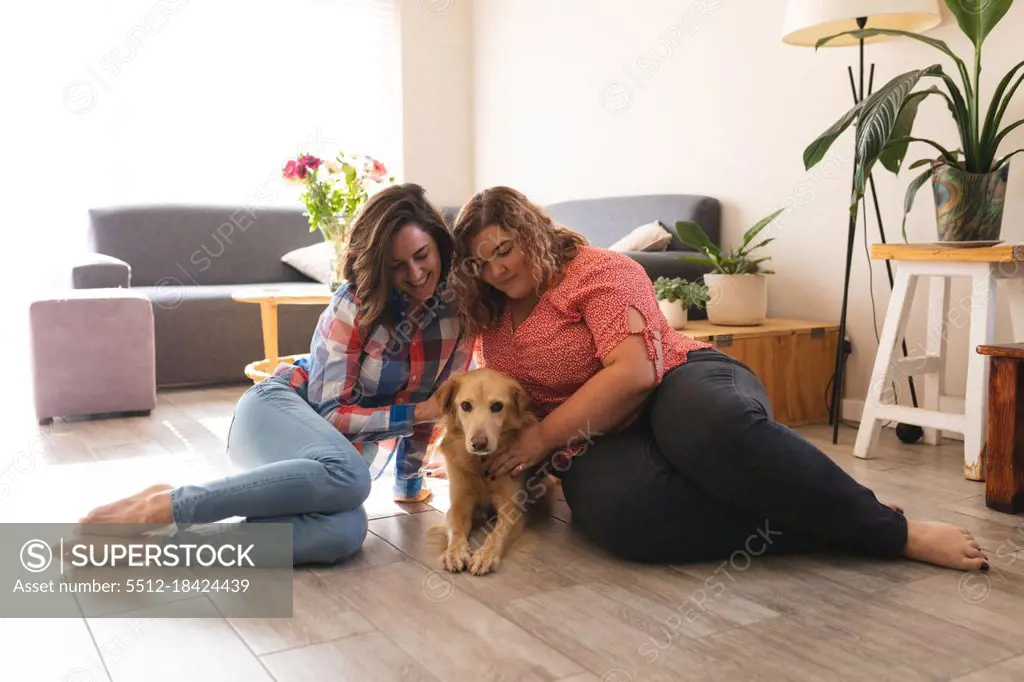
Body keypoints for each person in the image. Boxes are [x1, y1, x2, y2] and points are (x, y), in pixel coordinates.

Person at [447, 185, 988, 572]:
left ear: (532, 234)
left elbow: (636, 373)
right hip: (592, 435)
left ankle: (892, 532)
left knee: (712, 429)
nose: (497, 269)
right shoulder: (488, 312)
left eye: (505, 249)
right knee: (624, 517)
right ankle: (831, 519)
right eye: (481, 262)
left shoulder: (599, 270)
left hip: (675, 378)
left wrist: (541, 437)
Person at [80, 183, 473, 565]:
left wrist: (409, 484)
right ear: (379, 267)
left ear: (439, 243)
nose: (417, 272)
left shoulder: (460, 314)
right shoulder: (353, 306)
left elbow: (437, 405)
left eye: (423, 255)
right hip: (275, 413)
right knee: (352, 478)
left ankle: (172, 543)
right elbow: (332, 414)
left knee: (345, 532)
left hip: (327, 469)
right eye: (397, 265)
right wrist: (417, 413)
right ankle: (165, 507)